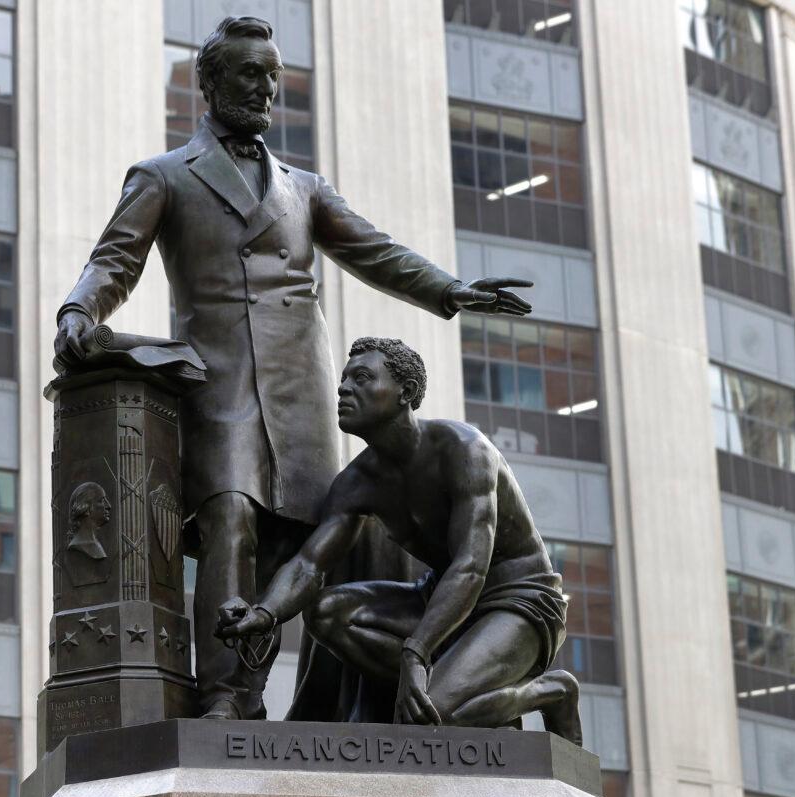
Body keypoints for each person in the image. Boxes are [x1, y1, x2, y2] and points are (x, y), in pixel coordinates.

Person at [53, 16, 532, 720]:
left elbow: (376, 249)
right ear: (210, 83)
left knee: (307, 541)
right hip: (219, 384)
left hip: (304, 388)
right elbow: (114, 259)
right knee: (231, 519)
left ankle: (296, 705)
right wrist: (77, 311)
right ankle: (223, 697)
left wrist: (446, 290)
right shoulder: (163, 177)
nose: (265, 87)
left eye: (274, 75)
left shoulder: (304, 188)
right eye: (250, 74)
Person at [217, 337, 581, 743]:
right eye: (343, 380)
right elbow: (309, 565)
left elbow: (471, 567)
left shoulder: (464, 450)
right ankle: (454, 679)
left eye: (362, 378)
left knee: (431, 719)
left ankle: (551, 692)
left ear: (405, 393)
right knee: (326, 612)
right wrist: (264, 613)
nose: (343, 389)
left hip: (517, 601)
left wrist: (417, 651)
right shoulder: (357, 483)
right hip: (439, 600)